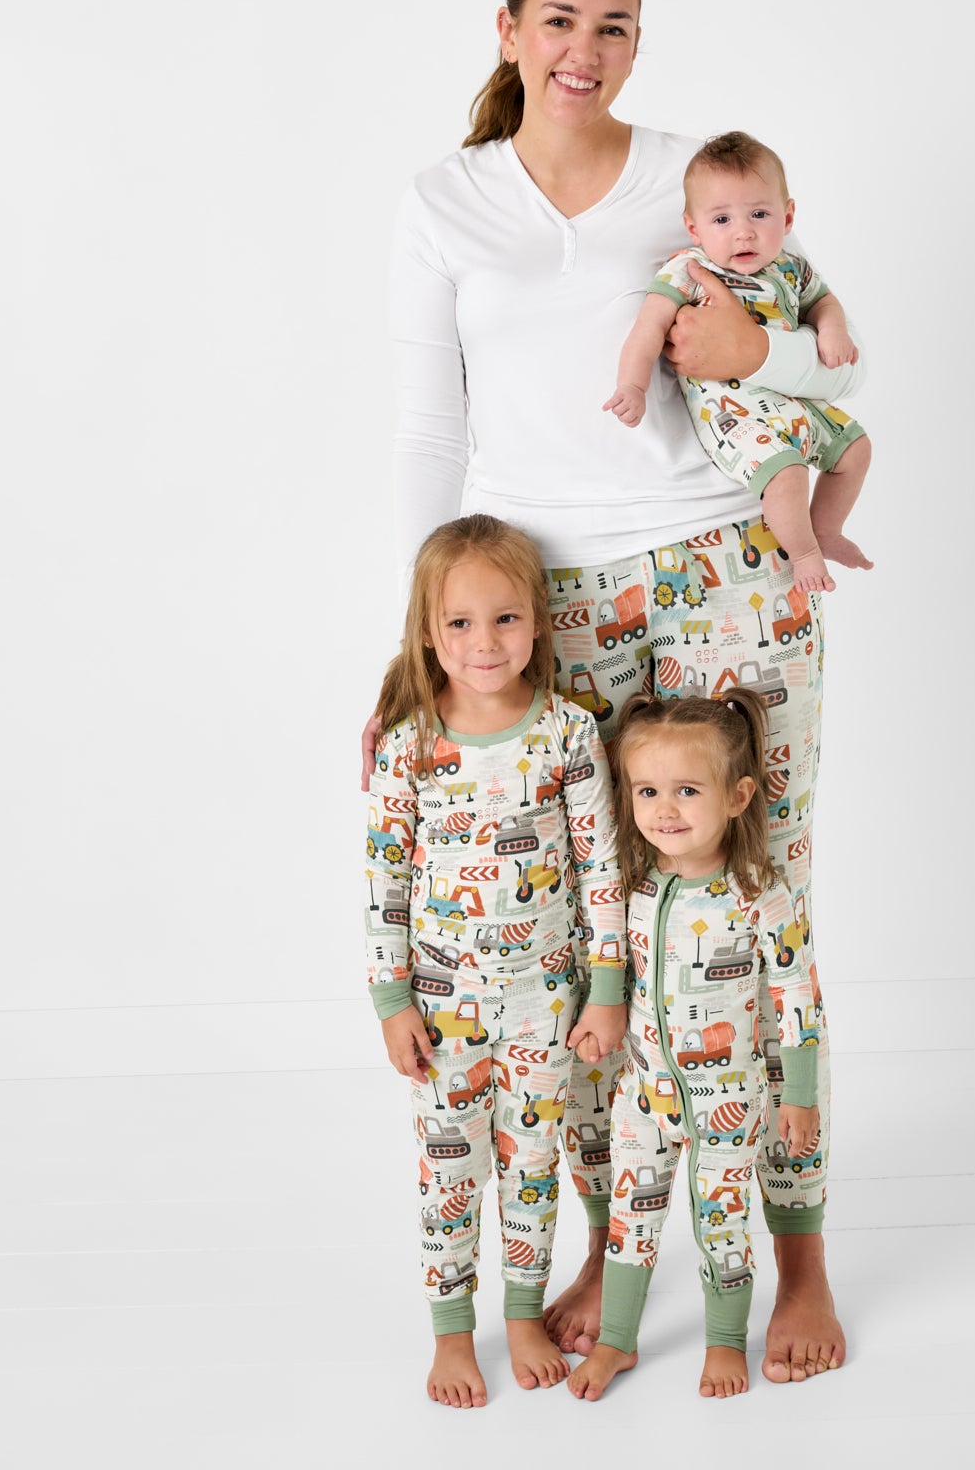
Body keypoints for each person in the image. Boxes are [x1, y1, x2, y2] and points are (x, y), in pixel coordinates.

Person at [367, 0, 865, 1384]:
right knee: (598, 937)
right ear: (509, 28)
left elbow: (827, 359)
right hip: (551, 607)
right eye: (561, 20)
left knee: (759, 909)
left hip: (728, 572)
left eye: (617, 27)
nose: (585, 51)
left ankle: (800, 1258)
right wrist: (416, 643)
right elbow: (430, 430)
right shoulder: (444, 201)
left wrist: (751, 359)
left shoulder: (687, 177)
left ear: (639, 44)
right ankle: (615, 1245)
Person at [366, 514, 628, 1407]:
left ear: (539, 621)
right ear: (428, 632)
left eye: (506, 618)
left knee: (533, 1160)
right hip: (443, 1012)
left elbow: (601, 869)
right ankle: (451, 1332)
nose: (486, 642)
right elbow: (385, 881)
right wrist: (392, 1001)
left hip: (548, 1004)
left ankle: (522, 1313)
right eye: (461, 623)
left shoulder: (567, 733)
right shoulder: (409, 744)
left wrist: (605, 991)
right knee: (450, 1171)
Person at [567, 689, 823, 1401]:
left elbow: (797, 995)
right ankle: (617, 1342)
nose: (664, 809)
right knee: (630, 1225)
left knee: (722, 1228)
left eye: (687, 790)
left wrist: (799, 1095)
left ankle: (724, 1342)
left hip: (728, 1106)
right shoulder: (635, 889)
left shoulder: (760, 894)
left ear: (738, 797)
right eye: (647, 791)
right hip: (643, 1098)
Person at [603, 129, 873, 595]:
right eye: (722, 219)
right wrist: (633, 385)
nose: (743, 231)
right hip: (734, 416)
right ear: (694, 228)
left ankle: (826, 529)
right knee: (786, 474)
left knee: (856, 449)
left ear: (788, 216)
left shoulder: (791, 267)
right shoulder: (689, 270)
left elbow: (823, 303)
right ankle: (803, 553)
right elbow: (647, 330)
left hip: (794, 401)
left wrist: (831, 329)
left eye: (759, 214)